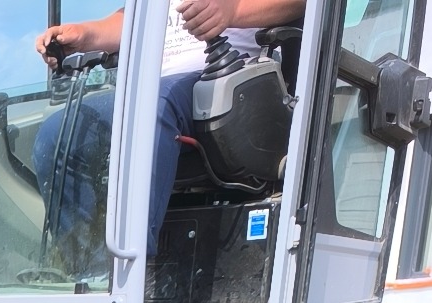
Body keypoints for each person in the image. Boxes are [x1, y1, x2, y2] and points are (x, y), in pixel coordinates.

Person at [31, 0, 305, 257]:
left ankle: (130, 266)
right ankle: (90, 274)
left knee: (153, 107)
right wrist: (84, 34)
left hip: (224, 78)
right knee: (57, 135)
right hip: (152, 88)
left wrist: (231, 11)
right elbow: (133, 21)